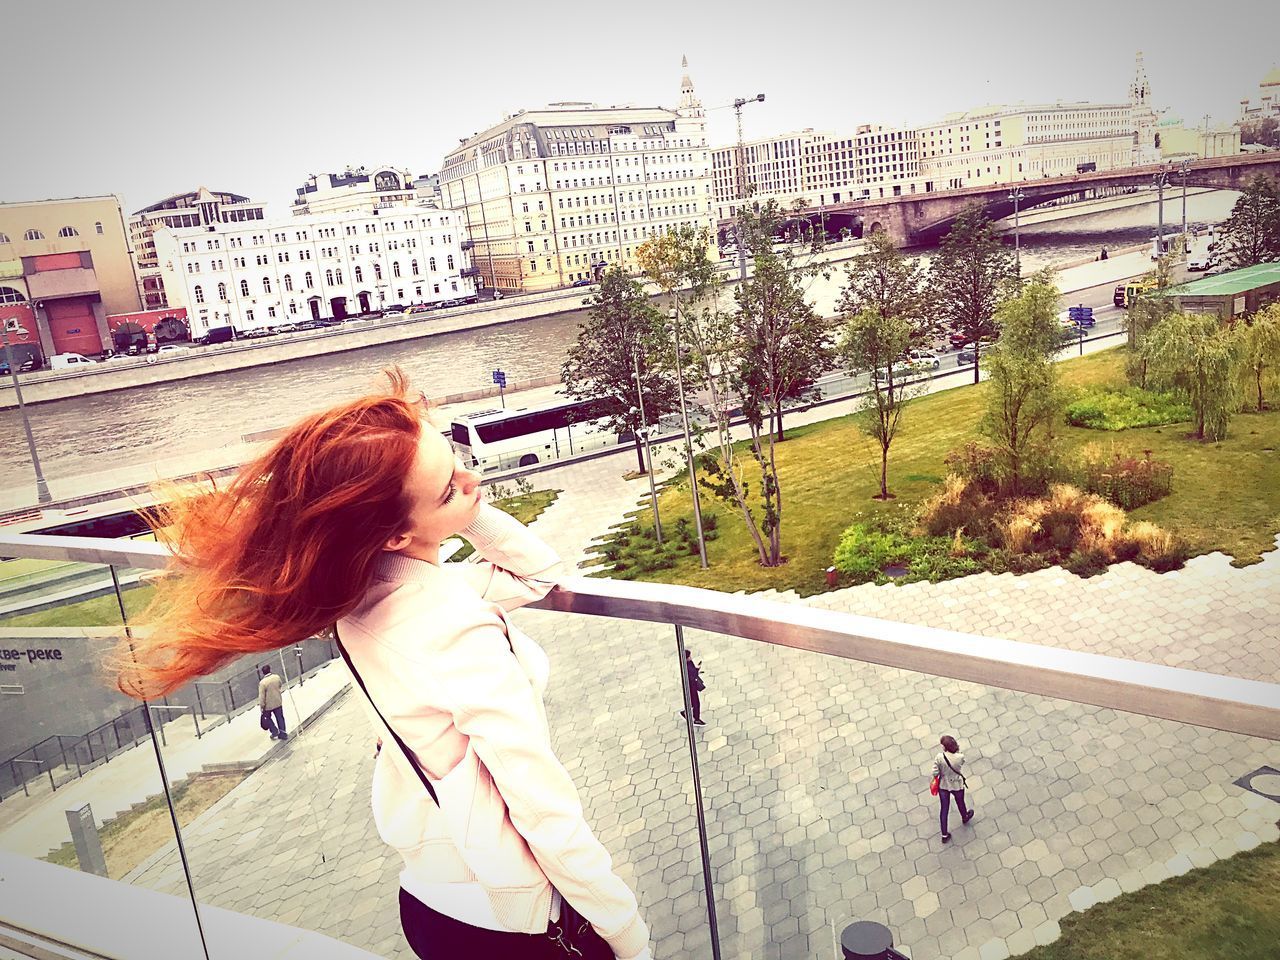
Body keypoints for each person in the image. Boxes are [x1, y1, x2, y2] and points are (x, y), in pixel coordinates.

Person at [115, 369, 650, 960]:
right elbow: (541, 805)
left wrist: (454, 503)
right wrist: (624, 932)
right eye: (450, 487)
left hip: (430, 899)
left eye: (457, 460)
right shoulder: (452, 624)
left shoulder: (366, 595)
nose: (475, 481)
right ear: (393, 535)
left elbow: (538, 576)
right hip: (509, 924)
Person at [932, 735, 974, 843]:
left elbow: (935, 772)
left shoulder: (939, 757)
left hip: (943, 785)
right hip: (956, 784)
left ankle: (944, 835)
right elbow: (961, 763)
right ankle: (965, 816)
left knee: (944, 809)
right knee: (960, 802)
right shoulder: (960, 757)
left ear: (945, 747)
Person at [258, 665, 286, 740]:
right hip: (277, 701)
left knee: (267, 718)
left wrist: (262, 706)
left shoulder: (262, 683)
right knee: (280, 717)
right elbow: (280, 685)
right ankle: (283, 733)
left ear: (263, 673)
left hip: (268, 705)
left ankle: (274, 731)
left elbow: (262, 696)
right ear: (270, 670)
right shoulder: (276, 677)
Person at [678, 649, 705, 725]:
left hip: (691, 685)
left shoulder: (688, 663)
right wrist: (697, 670)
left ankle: (687, 712)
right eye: (689, 656)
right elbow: (692, 676)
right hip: (691, 687)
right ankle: (696, 719)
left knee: (692, 702)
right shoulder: (687, 666)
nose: (691, 657)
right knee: (696, 703)